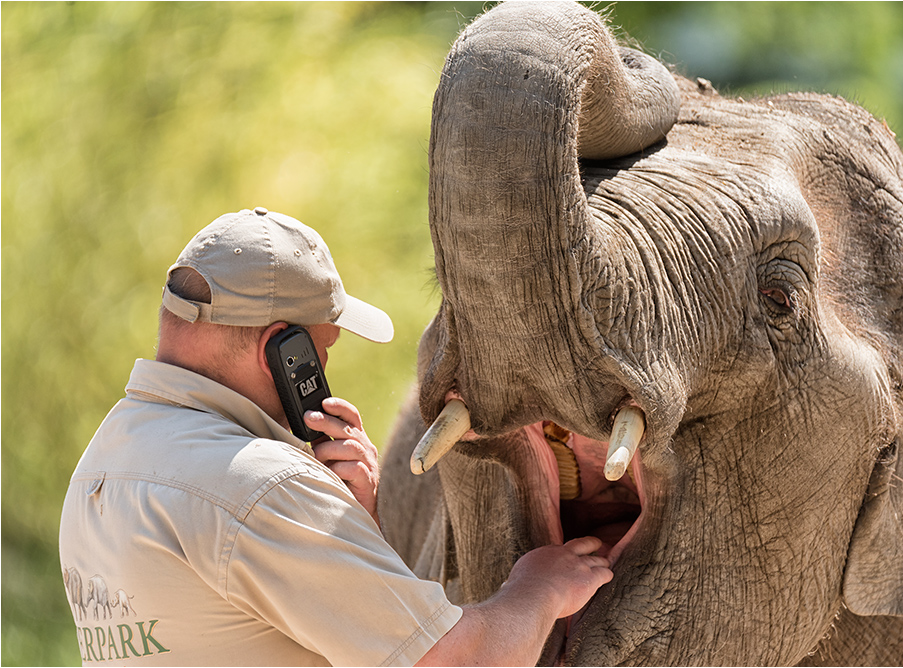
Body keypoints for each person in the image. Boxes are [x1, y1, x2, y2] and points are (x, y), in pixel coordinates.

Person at [58, 207, 613, 666]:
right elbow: (451, 661)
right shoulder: (263, 486)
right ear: (282, 350)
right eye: (320, 355)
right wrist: (538, 588)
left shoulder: (102, 465)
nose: (323, 377)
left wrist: (354, 527)